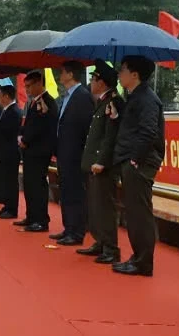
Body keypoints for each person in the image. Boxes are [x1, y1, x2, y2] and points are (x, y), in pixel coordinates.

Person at [111, 55, 164, 277]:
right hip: (131, 160)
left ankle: (143, 262)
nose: (119, 74)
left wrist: (134, 159)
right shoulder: (134, 97)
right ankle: (138, 257)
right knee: (133, 212)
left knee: (139, 213)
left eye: (122, 70)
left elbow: (148, 131)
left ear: (135, 74)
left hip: (139, 163)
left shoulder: (147, 99)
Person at [77, 60, 124, 264]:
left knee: (105, 206)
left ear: (102, 82)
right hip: (94, 164)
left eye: (94, 79)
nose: (91, 83)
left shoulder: (113, 102)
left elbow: (110, 137)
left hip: (103, 165)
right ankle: (101, 242)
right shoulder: (102, 102)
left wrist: (102, 161)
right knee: (95, 206)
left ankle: (111, 248)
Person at [51, 61, 94, 246]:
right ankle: (68, 227)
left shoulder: (82, 96)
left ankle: (77, 231)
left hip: (76, 153)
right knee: (66, 191)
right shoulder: (66, 96)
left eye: (62, 72)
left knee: (76, 192)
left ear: (70, 74)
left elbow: (86, 127)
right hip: (64, 151)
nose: (60, 76)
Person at [16, 71, 58, 233]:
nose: (27, 90)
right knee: (29, 185)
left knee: (37, 185)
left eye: (29, 86)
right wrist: (21, 135)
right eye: (25, 87)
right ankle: (31, 215)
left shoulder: (47, 102)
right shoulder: (34, 102)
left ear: (39, 83)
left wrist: (26, 140)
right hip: (30, 150)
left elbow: (41, 127)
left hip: (39, 150)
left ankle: (41, 219)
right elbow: (28, 123)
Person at [0, 85, 21, 219]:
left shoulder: (14, 111)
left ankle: (12, 209)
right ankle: (7, 206)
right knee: (5, 181)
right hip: (4, 151)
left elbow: (7, 131)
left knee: (11, 182)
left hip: (10, 151)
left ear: (6, 96)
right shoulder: (6, 110)